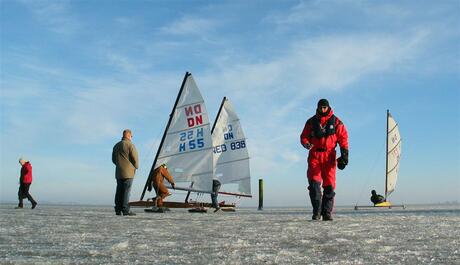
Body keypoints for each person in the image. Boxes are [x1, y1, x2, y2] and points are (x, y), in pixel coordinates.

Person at [300, 99, 349, 221]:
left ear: (328, 107)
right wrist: (306, 144)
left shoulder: (337, 122)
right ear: (317, 108)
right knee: (314, 185)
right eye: (321, 107)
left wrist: (344, 155)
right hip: (315, 155)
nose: (323, 109)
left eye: (324, 107)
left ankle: (327, 212)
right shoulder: (311, 122)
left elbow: (343, 139)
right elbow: (304, 136)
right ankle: (317, 211)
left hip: (330, 156)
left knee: (329, 185)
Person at [112, 129, 139, 216]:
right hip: (129, 172)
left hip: (119, 172)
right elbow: (135, 158)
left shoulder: (116, 145)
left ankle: (117, 209)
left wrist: (119, 165)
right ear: (129, 135)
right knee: (126, 191)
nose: (131, 137)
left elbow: (113, 159)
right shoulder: (130, 145)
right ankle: (125, 210)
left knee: (119, 191)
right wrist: (136, 167)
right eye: (131, 136)